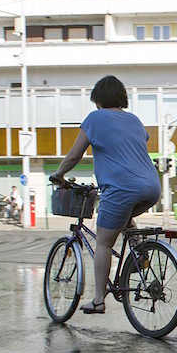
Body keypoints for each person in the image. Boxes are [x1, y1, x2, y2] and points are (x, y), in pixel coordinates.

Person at [50, 75, 161, 314]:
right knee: (123, 218)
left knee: (103, 242)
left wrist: (58, 174)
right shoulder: (134, 120)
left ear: (98, 100)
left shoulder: (95, 119)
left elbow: (73, 156)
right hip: (152, 187)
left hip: (121, 189)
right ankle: (139, 254)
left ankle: (99, 300)